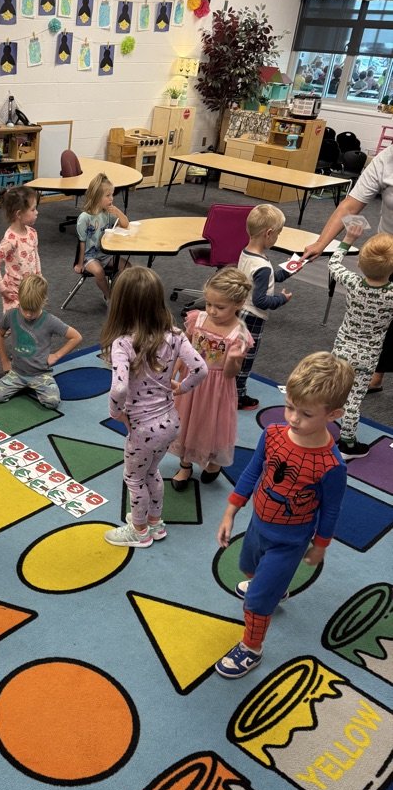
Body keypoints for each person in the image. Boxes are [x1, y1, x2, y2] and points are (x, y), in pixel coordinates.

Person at [214, 351, 355, 678]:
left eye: (305, 413)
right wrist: (231, 510)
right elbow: (252, 472)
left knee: (257, 603)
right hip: (256, 526)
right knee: (248, 568)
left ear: (333, 414)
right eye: (289, 406)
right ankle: (271, 586)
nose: (292, 418)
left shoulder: (332, 465)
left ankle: (251, 648)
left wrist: (320, 545)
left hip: (290, 541)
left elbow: (331, 509)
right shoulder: (273, 434)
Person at [100, 266, 207, 547]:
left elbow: (119, 387)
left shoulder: (122, 343)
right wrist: (180, 388)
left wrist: (115, 413)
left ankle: (138, 530)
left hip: (142, 428)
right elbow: (200, 369)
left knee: (134, 479)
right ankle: (155, 523)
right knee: (152, 473)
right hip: (171, 421)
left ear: (121, 304)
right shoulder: (174, 334)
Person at [302, 142, 393, 396]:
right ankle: (376, 373)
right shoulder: (386, 159)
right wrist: (322, 243)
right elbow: (350, 206)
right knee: (379, 314)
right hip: (388, 250)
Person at [170, 267, 253, 489]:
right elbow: (183, 346)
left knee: (211, 425)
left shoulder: (240, 334)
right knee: (186, 422)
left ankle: (213, 462)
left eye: (220, 307)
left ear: (239, 304)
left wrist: (234, 359)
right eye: (209, 304)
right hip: (191, 382)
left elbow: (230, 374)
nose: (212, 311)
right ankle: (185, 465)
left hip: (216, 387)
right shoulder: (197, 319)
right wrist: (175, 369)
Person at [326, 223, 393, 459]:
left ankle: (316, 426)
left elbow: (333, 264)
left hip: (341, 347)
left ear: (361, 263)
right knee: (353, 399)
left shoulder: (353, 282)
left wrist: (348, 239)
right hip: (367, 355)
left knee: (334, 390)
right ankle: (347, 444)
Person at [0, 185, 42, 375]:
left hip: (30, 291)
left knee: (28, 323)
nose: (37, 213)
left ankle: (20, 356)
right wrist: (2, 288)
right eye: (33, 209)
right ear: (18, 214)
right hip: (13, 292)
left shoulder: (32, 233)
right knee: (7, 327)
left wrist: (40, 280)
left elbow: (35, 257)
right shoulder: (10, 239)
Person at [0, 276, 82, 408]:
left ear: (44, 302)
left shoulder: (50, 321)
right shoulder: (11, 315)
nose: (28, 314)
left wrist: (56, 355)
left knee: (52, 402)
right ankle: (23, 386)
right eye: (24, 308)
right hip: (17, 372)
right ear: (19, 299)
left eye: (33, 310)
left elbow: (76, 337)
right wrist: (4, 360)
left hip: (40, 374)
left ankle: (33, 386)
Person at [235, 204, 292, 410]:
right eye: (278, 234)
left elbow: (265, 278)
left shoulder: (247, 253)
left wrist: (288, 270)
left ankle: (228, 389)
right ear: (269, 233)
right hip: (253, 317)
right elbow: (261, 300)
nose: (277, 238)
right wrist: (281, 300)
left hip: (240, 311)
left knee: (236, 353)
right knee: (246, 357)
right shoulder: (262, 267)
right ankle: (238, 395)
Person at [74, 173, 130, 305]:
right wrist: (80, 263)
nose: (111, 198)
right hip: (89, 255)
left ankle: (117, 293)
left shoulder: (107, 213)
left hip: (106, 253)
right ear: (97, 197)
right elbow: (81, 242)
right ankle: (109, 297)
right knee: (99, 271)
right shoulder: (84, 218)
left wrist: (118, 212)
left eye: (112, 195)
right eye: (108, 195)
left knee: (128, 268)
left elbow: (125, 224)